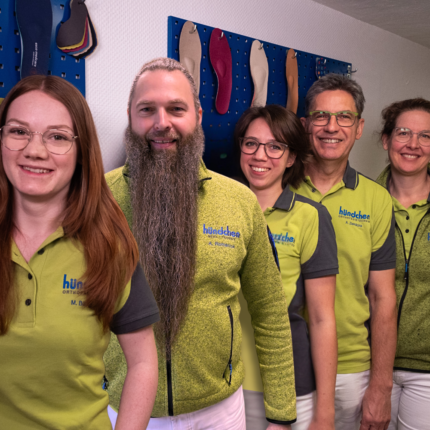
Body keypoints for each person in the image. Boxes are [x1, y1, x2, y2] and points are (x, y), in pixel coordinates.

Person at [103, 57, 297, 429]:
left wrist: (281, 414)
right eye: (147, 109)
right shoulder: (98, 201)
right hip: (123, 410)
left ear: (198, 115)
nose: (162, 123)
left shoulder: (239, 202)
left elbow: (270, 312)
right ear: (130, 116)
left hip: (220, 411)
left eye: (176, 109)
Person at [0, 75, 160, 430]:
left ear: (81, 151)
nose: (35, 150)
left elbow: (143, 363)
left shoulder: (110, 246)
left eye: (57, 137)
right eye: (18, 131)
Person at [293, 74, 397, 430]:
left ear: (359, 127)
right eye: (321, 116)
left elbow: (383, 298)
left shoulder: (376, 200)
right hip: (282, 361)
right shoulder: (277, 186)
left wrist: (381, 385)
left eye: (344, 117)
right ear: (305, 125)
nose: (331, 127)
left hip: (350, 369)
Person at [235, 105, 338, 430]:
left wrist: (325, 410)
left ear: (291, 157)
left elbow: (322, 319)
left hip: (290, 385)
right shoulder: (222, 210)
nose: (260, 155)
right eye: (251, 143)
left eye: (275, 146)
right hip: (226, 384)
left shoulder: (310, 216)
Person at [376, 98, 430, 430]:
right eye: (404, 132)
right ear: (386, 140)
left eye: (426, 136)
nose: (413, 144)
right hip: (366, 363)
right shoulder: (363, 202)